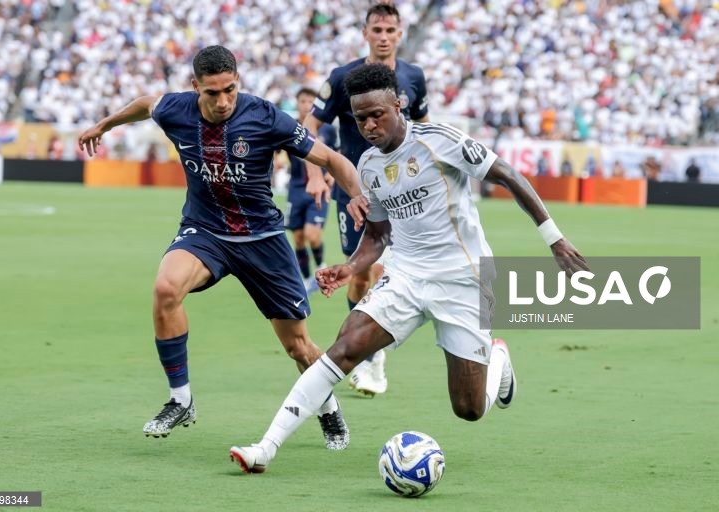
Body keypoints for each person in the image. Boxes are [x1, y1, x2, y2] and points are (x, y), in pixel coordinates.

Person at [229, 63, 588, 474]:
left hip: (464, 278)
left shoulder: (440, 141)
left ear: (398, 105)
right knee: (344, 348)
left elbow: (508, 175)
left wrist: (555, 239)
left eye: (376, 114)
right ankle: (265, 447)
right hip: (406, 275)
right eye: (360, 118)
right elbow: (379, 234)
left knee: (468, 409)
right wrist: (350, 267)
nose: (368, 125)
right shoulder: (367, 165)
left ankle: (497, 358)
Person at [77, 45, 363, 450]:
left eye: (230, 89)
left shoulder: (264, 116)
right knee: (165, 290)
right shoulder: (175, 109)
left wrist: (354, 194)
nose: (223, 100)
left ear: (238, 82)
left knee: (297, 346)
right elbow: (146, 104)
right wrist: (105, 125)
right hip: (205, 231)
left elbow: (332, 158)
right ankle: (181, 399)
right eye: (212, 93)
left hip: (262, 239)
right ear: (195, 87)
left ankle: (329, 407)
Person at [302, 2, 429, 397]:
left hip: (403, 190)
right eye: (378, 30)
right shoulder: (343, 78)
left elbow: (423, 127)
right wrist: (314, 172)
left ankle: (371, 353)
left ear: (400, 33)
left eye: (391, 30)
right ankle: (369, 346)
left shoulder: (414, 77)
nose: (385, 37)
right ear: (366, 33)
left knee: (382, 271)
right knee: (359, 273)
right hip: (355, 192)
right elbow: (310, 124)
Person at [284, 88, 338, 295]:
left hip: (319, 189)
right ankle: (307, 279)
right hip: (295, 189)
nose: (306, 105)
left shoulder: (326, 130)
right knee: (298, 238)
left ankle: (321, 265)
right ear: (297, 104)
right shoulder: (287, 128)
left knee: (312, 235)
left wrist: (332, 175)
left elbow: (337, 153)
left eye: (310, 102)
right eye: (303, 101)